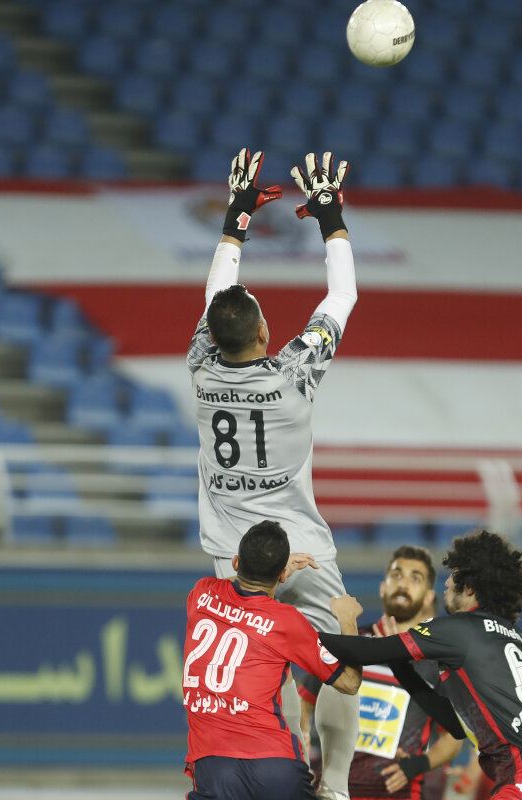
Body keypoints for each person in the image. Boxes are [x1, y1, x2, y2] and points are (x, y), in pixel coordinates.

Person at [187, 148, 360, 799]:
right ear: (264, 332)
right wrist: (330, 217)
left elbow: (216, 298)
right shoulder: (293, 374)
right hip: (302, 546)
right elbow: (342, 295)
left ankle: (278, 768)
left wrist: (236, 219)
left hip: (234, 554)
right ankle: (334, 785)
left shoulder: (199, 366)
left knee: (264, 667)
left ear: (214, 335)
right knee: (339, 654)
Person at [318, 531, 522, 800]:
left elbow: (364, 650)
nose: (448, 583)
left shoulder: (459, 630)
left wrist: (305, 629)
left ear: (470, 587)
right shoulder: (516, 638)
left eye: (454, 574)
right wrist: (400, 667)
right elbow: (456, 725)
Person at [184, 520, 363, 800]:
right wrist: (348, 621)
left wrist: (265, 566)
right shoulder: (287, 621)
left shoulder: (202, 594)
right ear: (282, 576)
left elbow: (234, 583)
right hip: (276, 766)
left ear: (235, 562)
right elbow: (350, 683)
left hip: (214, 766)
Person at [299, 545, 464, 800]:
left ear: (428, 597)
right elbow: (304, 701)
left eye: (415, 578)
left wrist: (417, 765)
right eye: (396, 575)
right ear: (383, 588)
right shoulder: (349, 641)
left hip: (397, 794)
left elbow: (454, 737)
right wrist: (302, 751)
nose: (403, 583)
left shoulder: (434, 662)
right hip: (331, 790)